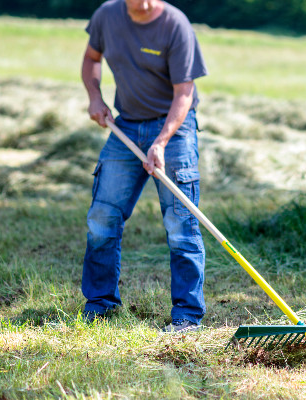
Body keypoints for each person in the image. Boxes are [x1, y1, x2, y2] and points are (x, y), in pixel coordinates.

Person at [80, 0, 208, 333]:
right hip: (126, 127)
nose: (147, 2)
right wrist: (94, 96)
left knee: (182, 224)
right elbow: (91, 59)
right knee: (101, 219)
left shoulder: (176, 25)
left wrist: (161, 143)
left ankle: (187, 318)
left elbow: (184, 93)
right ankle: (100, 307)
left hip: (174, 131)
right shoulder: (107, 16)